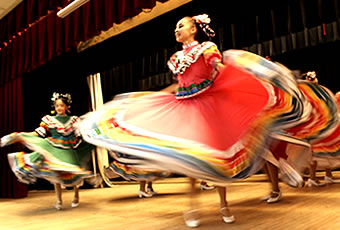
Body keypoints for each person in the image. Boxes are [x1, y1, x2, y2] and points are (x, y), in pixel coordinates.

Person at [78, 14, 309, 227]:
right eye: (176, 27)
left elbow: (218, 68)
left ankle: (223, 204)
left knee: (216, 157)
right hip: (184, 107)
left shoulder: (207, 49)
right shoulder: (176, 57)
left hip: (207, 107)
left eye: (181, 26)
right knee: (191, 159)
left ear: (193, 29)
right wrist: (160, 94)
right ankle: (192, 207)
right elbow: (181, 84)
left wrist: (235, 75)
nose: (177, 30)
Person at [1, 92, 97, 210]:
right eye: (57, 106)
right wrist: (19, 135)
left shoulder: (73, 120)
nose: (59, 108)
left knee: (73, 172)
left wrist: (96, 135)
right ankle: (59, 200)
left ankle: (76, 195)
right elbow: (37, 133)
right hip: (54, 148)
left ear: (67, 107)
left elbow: (81, 134)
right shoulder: (49, 120)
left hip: (69, 149)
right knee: (55, 174)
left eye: (61, 105)